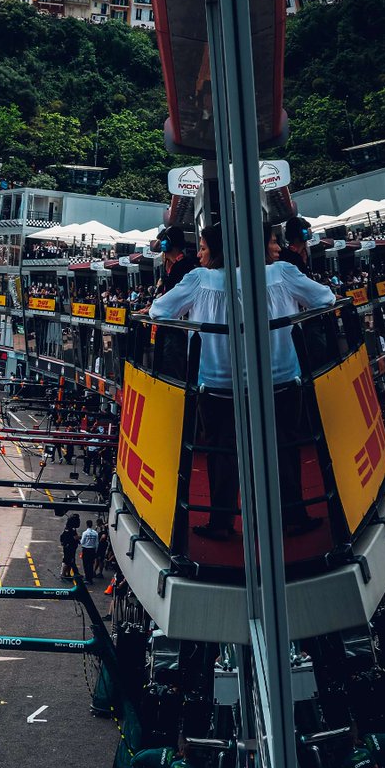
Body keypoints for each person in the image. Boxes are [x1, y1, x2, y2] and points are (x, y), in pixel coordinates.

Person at [150, 224, 237, 539]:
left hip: (212, 379)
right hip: (246, 379)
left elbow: (162, 309)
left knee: (218, 452)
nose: (197, 255)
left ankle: (222, 521)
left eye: (202, 249)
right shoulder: (246, 276)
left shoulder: (199, 278)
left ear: (213, 250)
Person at [263, 223, 336, 533]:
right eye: (273, 242)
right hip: (284, 373)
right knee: (289, 447)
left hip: (246, 381)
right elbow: (324, 298)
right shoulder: (284, 271)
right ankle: (293, 515)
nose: (278, 247)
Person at [80, 519, 99, 584]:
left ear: (87, 525)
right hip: (92, 550)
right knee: (91, 564)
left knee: (85, 564)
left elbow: (82, 542)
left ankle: (87, 577)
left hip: (86, 549)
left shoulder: (85, 533)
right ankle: (90, 578)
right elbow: (97, 543)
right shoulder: (95, 533)